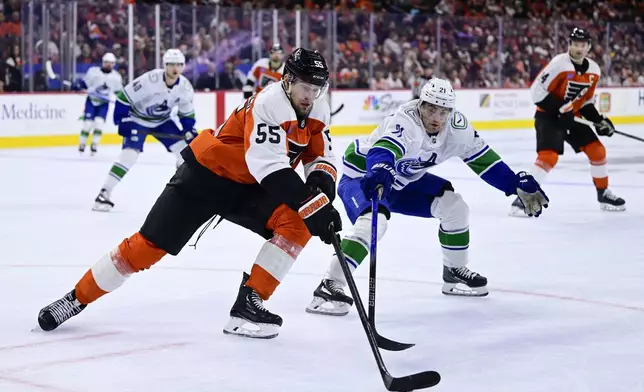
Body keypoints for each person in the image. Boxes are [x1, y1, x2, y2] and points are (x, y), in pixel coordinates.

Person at [37, 48, 342, 340]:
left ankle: (248, 306)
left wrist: (322, 192)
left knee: (297, 222)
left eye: (317, 88)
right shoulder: (269, 102)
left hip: (250, 187)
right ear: (287, 80)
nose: (310, 96)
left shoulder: (317, 106)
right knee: (147, 247)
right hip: (206, 177)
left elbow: (320, 156)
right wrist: (312, 205)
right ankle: (76, 298)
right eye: (305, 87)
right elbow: (269, 166)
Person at [305, 78, 549, 316]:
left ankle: (454, 270)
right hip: (364, 175)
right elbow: (383, 150)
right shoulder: (406, 121)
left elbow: (485, 161)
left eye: (443, 112)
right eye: (431, 109)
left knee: (455, 207)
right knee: (373, 223)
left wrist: (513, 184)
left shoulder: (458, 129)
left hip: (403, 181)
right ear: (420, 104)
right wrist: (380, 170)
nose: (436, 118)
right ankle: (330, 285)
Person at [510, 27, 625, 216]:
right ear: (569, 45)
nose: (579, 49)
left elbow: (586, 102)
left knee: (598, 151)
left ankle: (603, 193)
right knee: (548, 157)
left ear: (588, 47)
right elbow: (537, 92)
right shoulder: (559, 64)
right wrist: (561, 108)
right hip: (548, 115)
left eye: (583, 45)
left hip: (574, 117)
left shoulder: (594, 70)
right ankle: (524, 197)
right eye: (575, 44)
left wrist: (600, 121)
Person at [92, 49, 198, 212]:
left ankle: (183, 194)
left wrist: (189, 129)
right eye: (170, 65)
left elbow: (186, 113)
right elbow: (124, 98)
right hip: (137, 119)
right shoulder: (150, 80)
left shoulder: (185, 87)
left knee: (184, 152)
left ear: (183, 66)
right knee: (129, 155)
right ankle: (103, 194)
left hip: (162, 121)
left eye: (178, 65)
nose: (174, 69)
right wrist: (122, 119)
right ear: (164, 65)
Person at [75, 53, 123, 155]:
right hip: (91, 101)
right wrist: (78, 85)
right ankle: (82, 144)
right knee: (87, 124)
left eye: (111, 63)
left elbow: (118, 92)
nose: (109, 65)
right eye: (107, 63)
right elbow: (85, 83)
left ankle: (94, 145)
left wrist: (122, 101)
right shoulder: (93, 72)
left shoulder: (116, 77)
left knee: (99, 123)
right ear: (103, 62)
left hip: (104, 103)